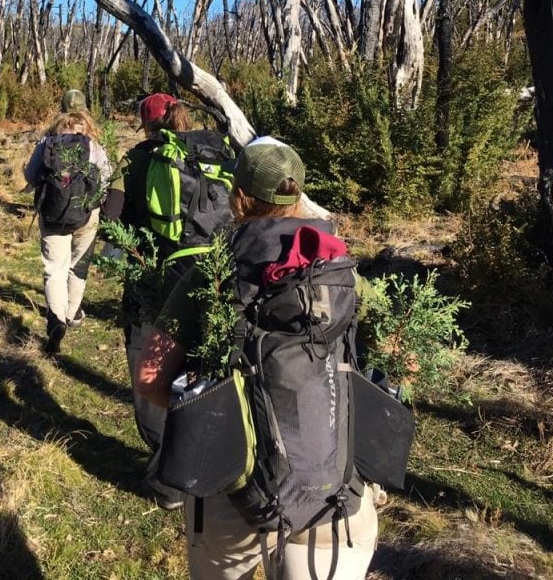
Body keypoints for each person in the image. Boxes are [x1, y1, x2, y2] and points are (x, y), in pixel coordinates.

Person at [134, 137, 379, 580]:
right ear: (298, 192)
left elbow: (150, 379)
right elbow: (393, 364)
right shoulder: (344, 274)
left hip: (231, 495)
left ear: (239, 195)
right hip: (335, 490)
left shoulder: (210, 275)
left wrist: (212, 405)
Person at [100, 92, 210, 510]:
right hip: (204, 281)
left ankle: (169, 478)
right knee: (197, 370)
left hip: (151, 286)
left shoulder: (136, 159)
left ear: (146, 123)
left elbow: (111, 220)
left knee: (149, 374)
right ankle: (208, 460)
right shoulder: (208, 154)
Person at [24, 108, 110, 355]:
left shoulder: (47, 143)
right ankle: (72, 315)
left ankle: (56, 320)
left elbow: (31, 176)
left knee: (54, 268)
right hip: (86, 214)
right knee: (78, 266)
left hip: (52, 212)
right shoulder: (93, 146)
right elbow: (105, 180)